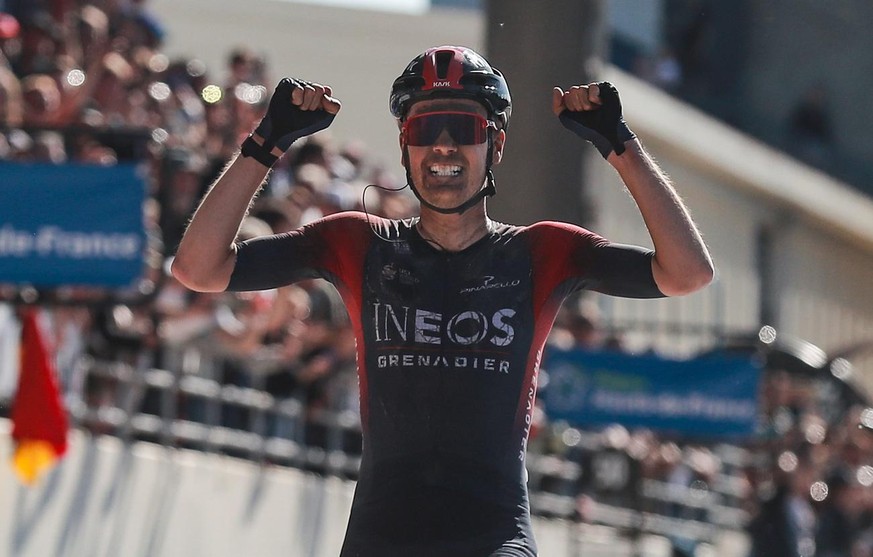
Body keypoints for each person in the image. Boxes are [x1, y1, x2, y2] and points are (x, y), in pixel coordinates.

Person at [171, 45, 713, 557]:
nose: (444, 146)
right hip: (379, 539)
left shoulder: (543, 251)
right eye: (426, 129)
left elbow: (687, 273)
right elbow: (198, 268)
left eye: (464, 129)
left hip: (494, 537)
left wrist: (620, 145)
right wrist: (267, 142)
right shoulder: (358, 244)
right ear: (405, 145)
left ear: (495, 145)